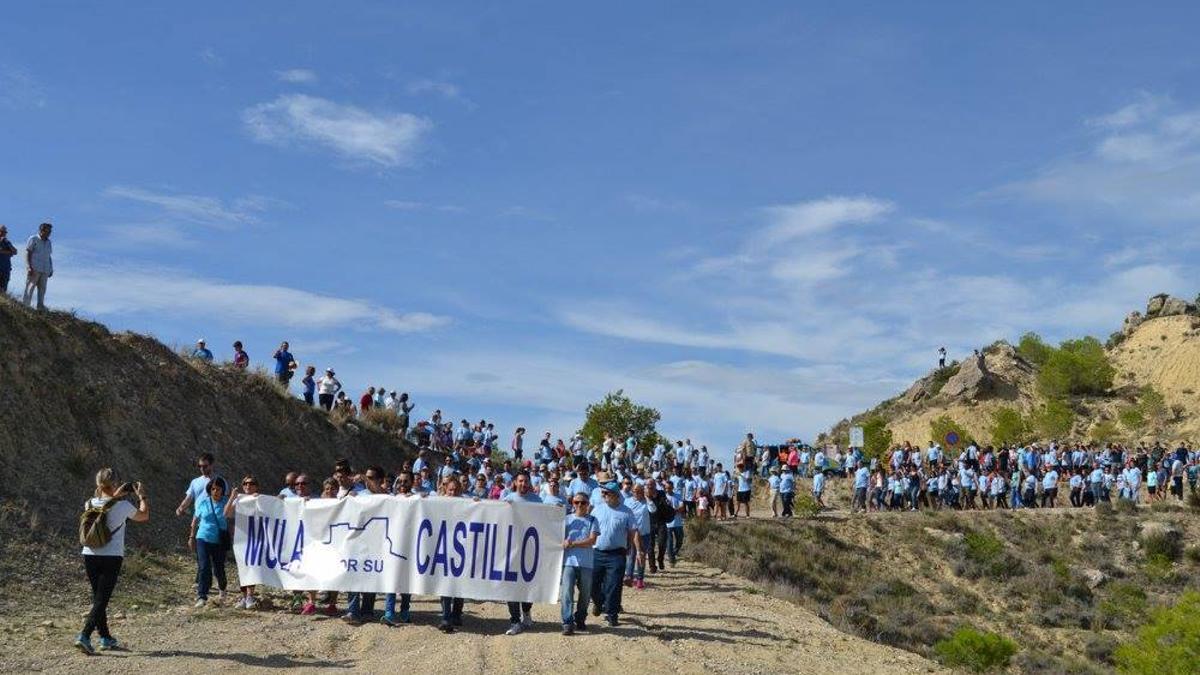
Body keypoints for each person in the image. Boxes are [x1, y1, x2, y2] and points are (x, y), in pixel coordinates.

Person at [74, 469, 149, 655]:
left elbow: (105, 504)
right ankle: (84, 636)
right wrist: (142, 496)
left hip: (89, 553)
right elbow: (144, 515)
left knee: (98, 597)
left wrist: (115, 494)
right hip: (111, 556)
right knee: (102, 599)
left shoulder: (89, 503)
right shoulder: (123, 506)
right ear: (115, 484)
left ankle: (105, 637)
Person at [590, 480, 639, 627]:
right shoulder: (597, 510)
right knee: (592, 583)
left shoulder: (626, 512)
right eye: (603, 493)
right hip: (597, 552)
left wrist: (631, 547)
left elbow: (632, 531)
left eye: (606, 493)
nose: (603, 495)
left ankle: (612, 614)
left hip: (617, 554)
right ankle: (599, 602)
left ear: (616, 494)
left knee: (614, 585)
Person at [503, 473, 542, 635]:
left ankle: (526, 612)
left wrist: (557, 511)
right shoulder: (507, 499)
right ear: (515, 482)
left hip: (530, 548)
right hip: (511, 548)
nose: (523, 484)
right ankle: (515, 621)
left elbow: (545, 520)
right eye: (520, 481)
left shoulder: (537, 501)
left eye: (526, 481)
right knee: (511, 585)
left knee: (528, 584)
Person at [561, 491, 600, 635]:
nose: (579, 505)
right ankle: (567, 622)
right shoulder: (566, 520)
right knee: (566, 592)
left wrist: (573, 543)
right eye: (576, 502)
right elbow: (559, 537)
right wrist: (564, 542)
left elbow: (592, 540)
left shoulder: (593, 520)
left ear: (587, 504)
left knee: (585, 594)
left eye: (583, 502)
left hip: (586, 562)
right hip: (569, 561)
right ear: (572, 503)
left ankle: (581, 618)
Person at [189, 477, 229, 607]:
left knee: (219, 569)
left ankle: (222, 588)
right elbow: (195, 519)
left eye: (218, 489)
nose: (215, 491)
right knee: (204, 566)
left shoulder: (226, 502)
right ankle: (202, 596)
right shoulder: (204, 502)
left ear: (222, 490)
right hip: (202, 537)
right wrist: (191, 536)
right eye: (213, 489)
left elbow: (232, 515)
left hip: (219, 541)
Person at [224, 475, 260, 609]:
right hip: (241, 538)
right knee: (242, 569)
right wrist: (232, 497)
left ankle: (250, 596)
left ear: (256, 486)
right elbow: (226, 514)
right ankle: (244, 597)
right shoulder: (239, 499)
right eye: (245, 484)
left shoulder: (260, 499)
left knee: (251, 567)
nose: (248, 486)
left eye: (251, 483)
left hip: (255, 538)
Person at [23, 222, 53, 309]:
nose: (49, 233)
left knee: (42, 289)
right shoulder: (33, 239)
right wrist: (28, 266)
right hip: (34, 267)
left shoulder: (49, 242)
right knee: (30, 286)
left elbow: (49, 256)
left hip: (45, 269)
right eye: (47, 231)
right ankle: (25, 306)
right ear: (41, 230)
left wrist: (51, 268)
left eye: (50, 232)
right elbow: (28, 252)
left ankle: (40, 307)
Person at [0, 224, 17, 294]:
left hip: (6, 268)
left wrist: (7, 244)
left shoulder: (7, 242)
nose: (3, 234)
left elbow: (15, 251)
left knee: (4, 288)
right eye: (1, 232)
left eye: (4, 232)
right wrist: (8, 252)